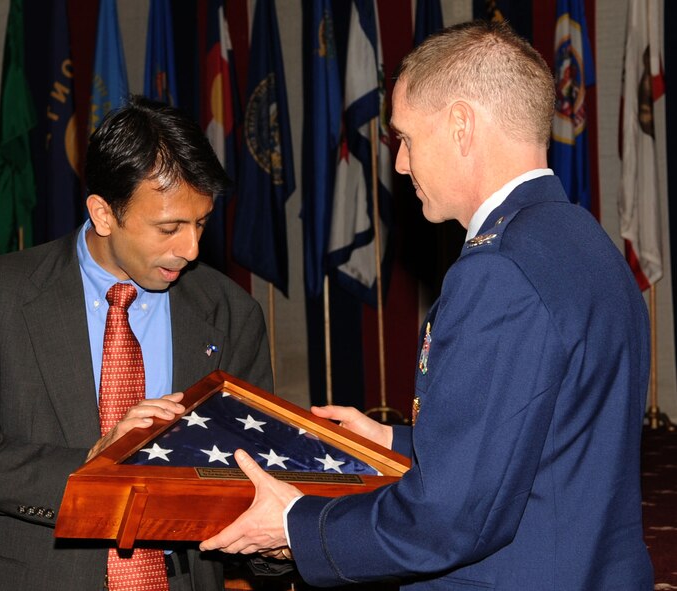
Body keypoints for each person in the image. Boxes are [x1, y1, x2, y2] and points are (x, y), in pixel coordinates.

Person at [200, 20, 654, 590]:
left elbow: (448, 519)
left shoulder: (500, 271)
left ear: (461, 125)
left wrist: (294, 524)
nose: (401, 165)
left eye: (406, 138)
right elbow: (549, 437)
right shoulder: (584, 241)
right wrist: (394, 441)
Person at [0, 95, 273, 591]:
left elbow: (251, 466)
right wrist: (91, 468)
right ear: (103, 214)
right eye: (169, 228)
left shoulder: (231, 313)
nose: (190, 249)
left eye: (201, 223)